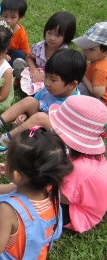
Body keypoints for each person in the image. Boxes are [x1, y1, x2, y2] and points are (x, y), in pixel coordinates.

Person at [0, 96, 107, 234]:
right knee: (32, 179)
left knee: (32, 188)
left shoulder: (80, 170)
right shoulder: (78, 153)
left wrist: (19, 173)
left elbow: (50, 191)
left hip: (75, 211)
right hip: (69, 192)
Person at [0, 128, 73, 259]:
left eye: (8, 160)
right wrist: (12, 171)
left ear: (17, 176)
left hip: (1, 254)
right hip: (32, 254)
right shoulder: (52, 193)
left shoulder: (8, 209)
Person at [0, 48, 86, 154]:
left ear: (72, 84)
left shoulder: (74, 105)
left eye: (53, 80)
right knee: (29, 100)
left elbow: (65, 135)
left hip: (55, 139)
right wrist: (24, 115)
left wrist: (37, 121)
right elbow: (34, 103)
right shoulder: (48, 89)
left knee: (41, 117)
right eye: (46, 76)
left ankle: (5, 141)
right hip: (40, 124)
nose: (46, 82)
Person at [49, 96, 107, 233]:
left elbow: (53, 195)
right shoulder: (86, 156)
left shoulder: (79, 170)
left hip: (78, 212)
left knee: (33, 200)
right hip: (84, 197)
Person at [13, 11, 76, 95]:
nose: (52, 38)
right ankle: (27, 86)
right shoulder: (39, 47)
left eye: (57, 35)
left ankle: (32, 90)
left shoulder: (64, 54)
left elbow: (63, 74)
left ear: (67, 37)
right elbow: (29, 57)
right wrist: (33, 68)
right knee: (18, 62)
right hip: (34, 75)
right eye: (49, 33)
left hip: (50, 82)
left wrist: (45, 75)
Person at [73, 21, 107, 106]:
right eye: (85, 46)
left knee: (75, 88)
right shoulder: (96, 59)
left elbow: (98, 92)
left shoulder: (99, 68)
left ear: (105, 53)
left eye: (91, 49)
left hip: (101, 102)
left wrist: (83, 76)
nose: (85, 51)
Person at [0, 0, 30, 67]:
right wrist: (2, 54)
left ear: (21, 17)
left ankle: (9, 69)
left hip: (11, 57)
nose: (8, 20)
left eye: (13, 17)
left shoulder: (21, 33)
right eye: (5, 16)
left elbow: (26, 53)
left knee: (20, 54)